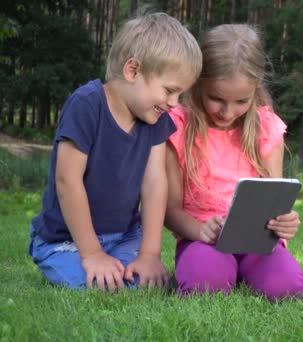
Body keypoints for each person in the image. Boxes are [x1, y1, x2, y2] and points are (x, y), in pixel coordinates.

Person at [28, 12, 202, 291]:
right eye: (170, 91)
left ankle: (119, 261)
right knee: (100, 284)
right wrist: (93, 255)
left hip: (123, 236)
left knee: (147, 283)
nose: (174, 103)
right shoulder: (86, 105)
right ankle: (86, 260)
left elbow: (155, 183)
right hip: (66, 240)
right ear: (132, 71)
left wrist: (149, 254)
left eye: (179, 95)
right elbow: (67, 181)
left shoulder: (155, 120)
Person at [165, 24, 303, 301]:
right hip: (202, 240)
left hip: (258, 242)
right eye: (216, 99)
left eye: (241, 101)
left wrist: (286, 222)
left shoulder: (266, 128)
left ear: (255, 90)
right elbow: (169, 210)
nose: (227, 111)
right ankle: (220, 269)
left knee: (287, 288)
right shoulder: (178, 128)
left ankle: (248, 270)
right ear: (198, 83)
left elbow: (275, 201)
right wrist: (199, 230)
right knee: (205, 285)